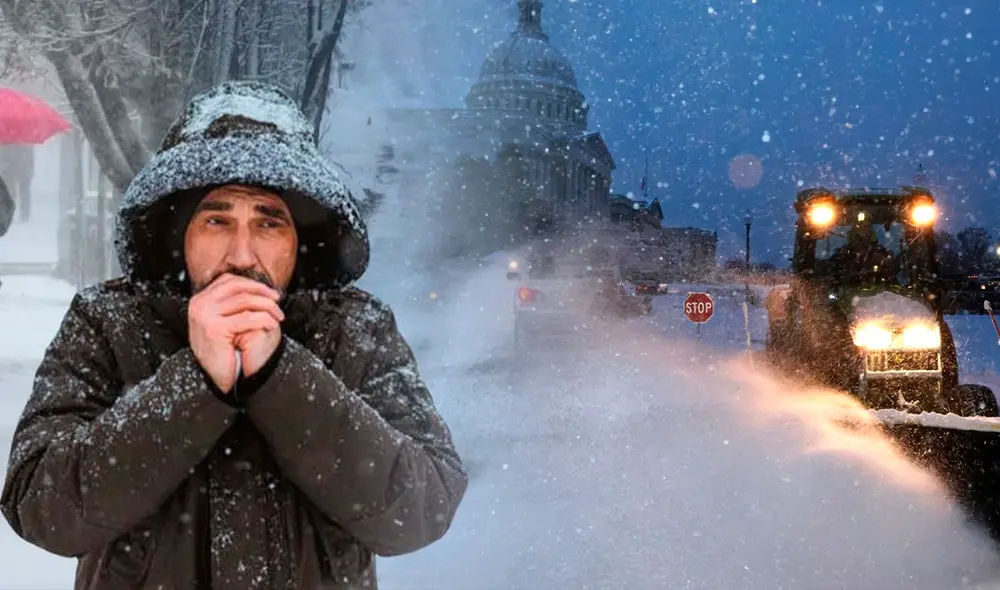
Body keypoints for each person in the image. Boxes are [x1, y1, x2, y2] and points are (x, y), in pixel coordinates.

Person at [1, 81, 467, 589]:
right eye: (217, 220)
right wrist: (194, 383)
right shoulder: (108, 322)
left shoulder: (356, 329)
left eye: (269, 224)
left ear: (300, 241)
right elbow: (41, 509)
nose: (242, 256)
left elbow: (421, 510)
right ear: (179, 234)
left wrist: (280, 375)